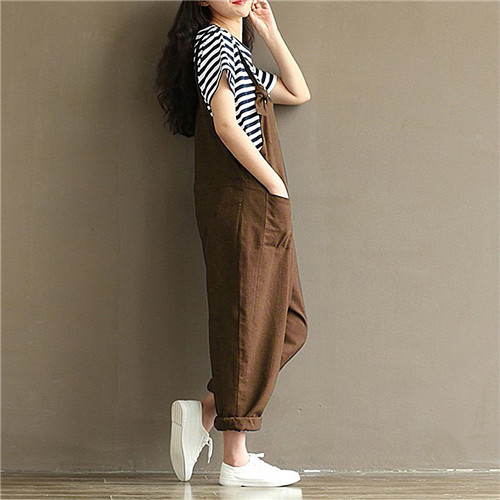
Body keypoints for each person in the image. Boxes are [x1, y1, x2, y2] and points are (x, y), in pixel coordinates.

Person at [155, 0, 310, 487]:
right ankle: (235, 460)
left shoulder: (239, 53)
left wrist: (269, 31)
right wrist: (274, 184)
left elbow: (297, 92)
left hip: (256, 198)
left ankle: (206, 409)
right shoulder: (214, 44)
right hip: (246, 196)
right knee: (247, 320)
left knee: (286, 324)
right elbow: (225, 124)